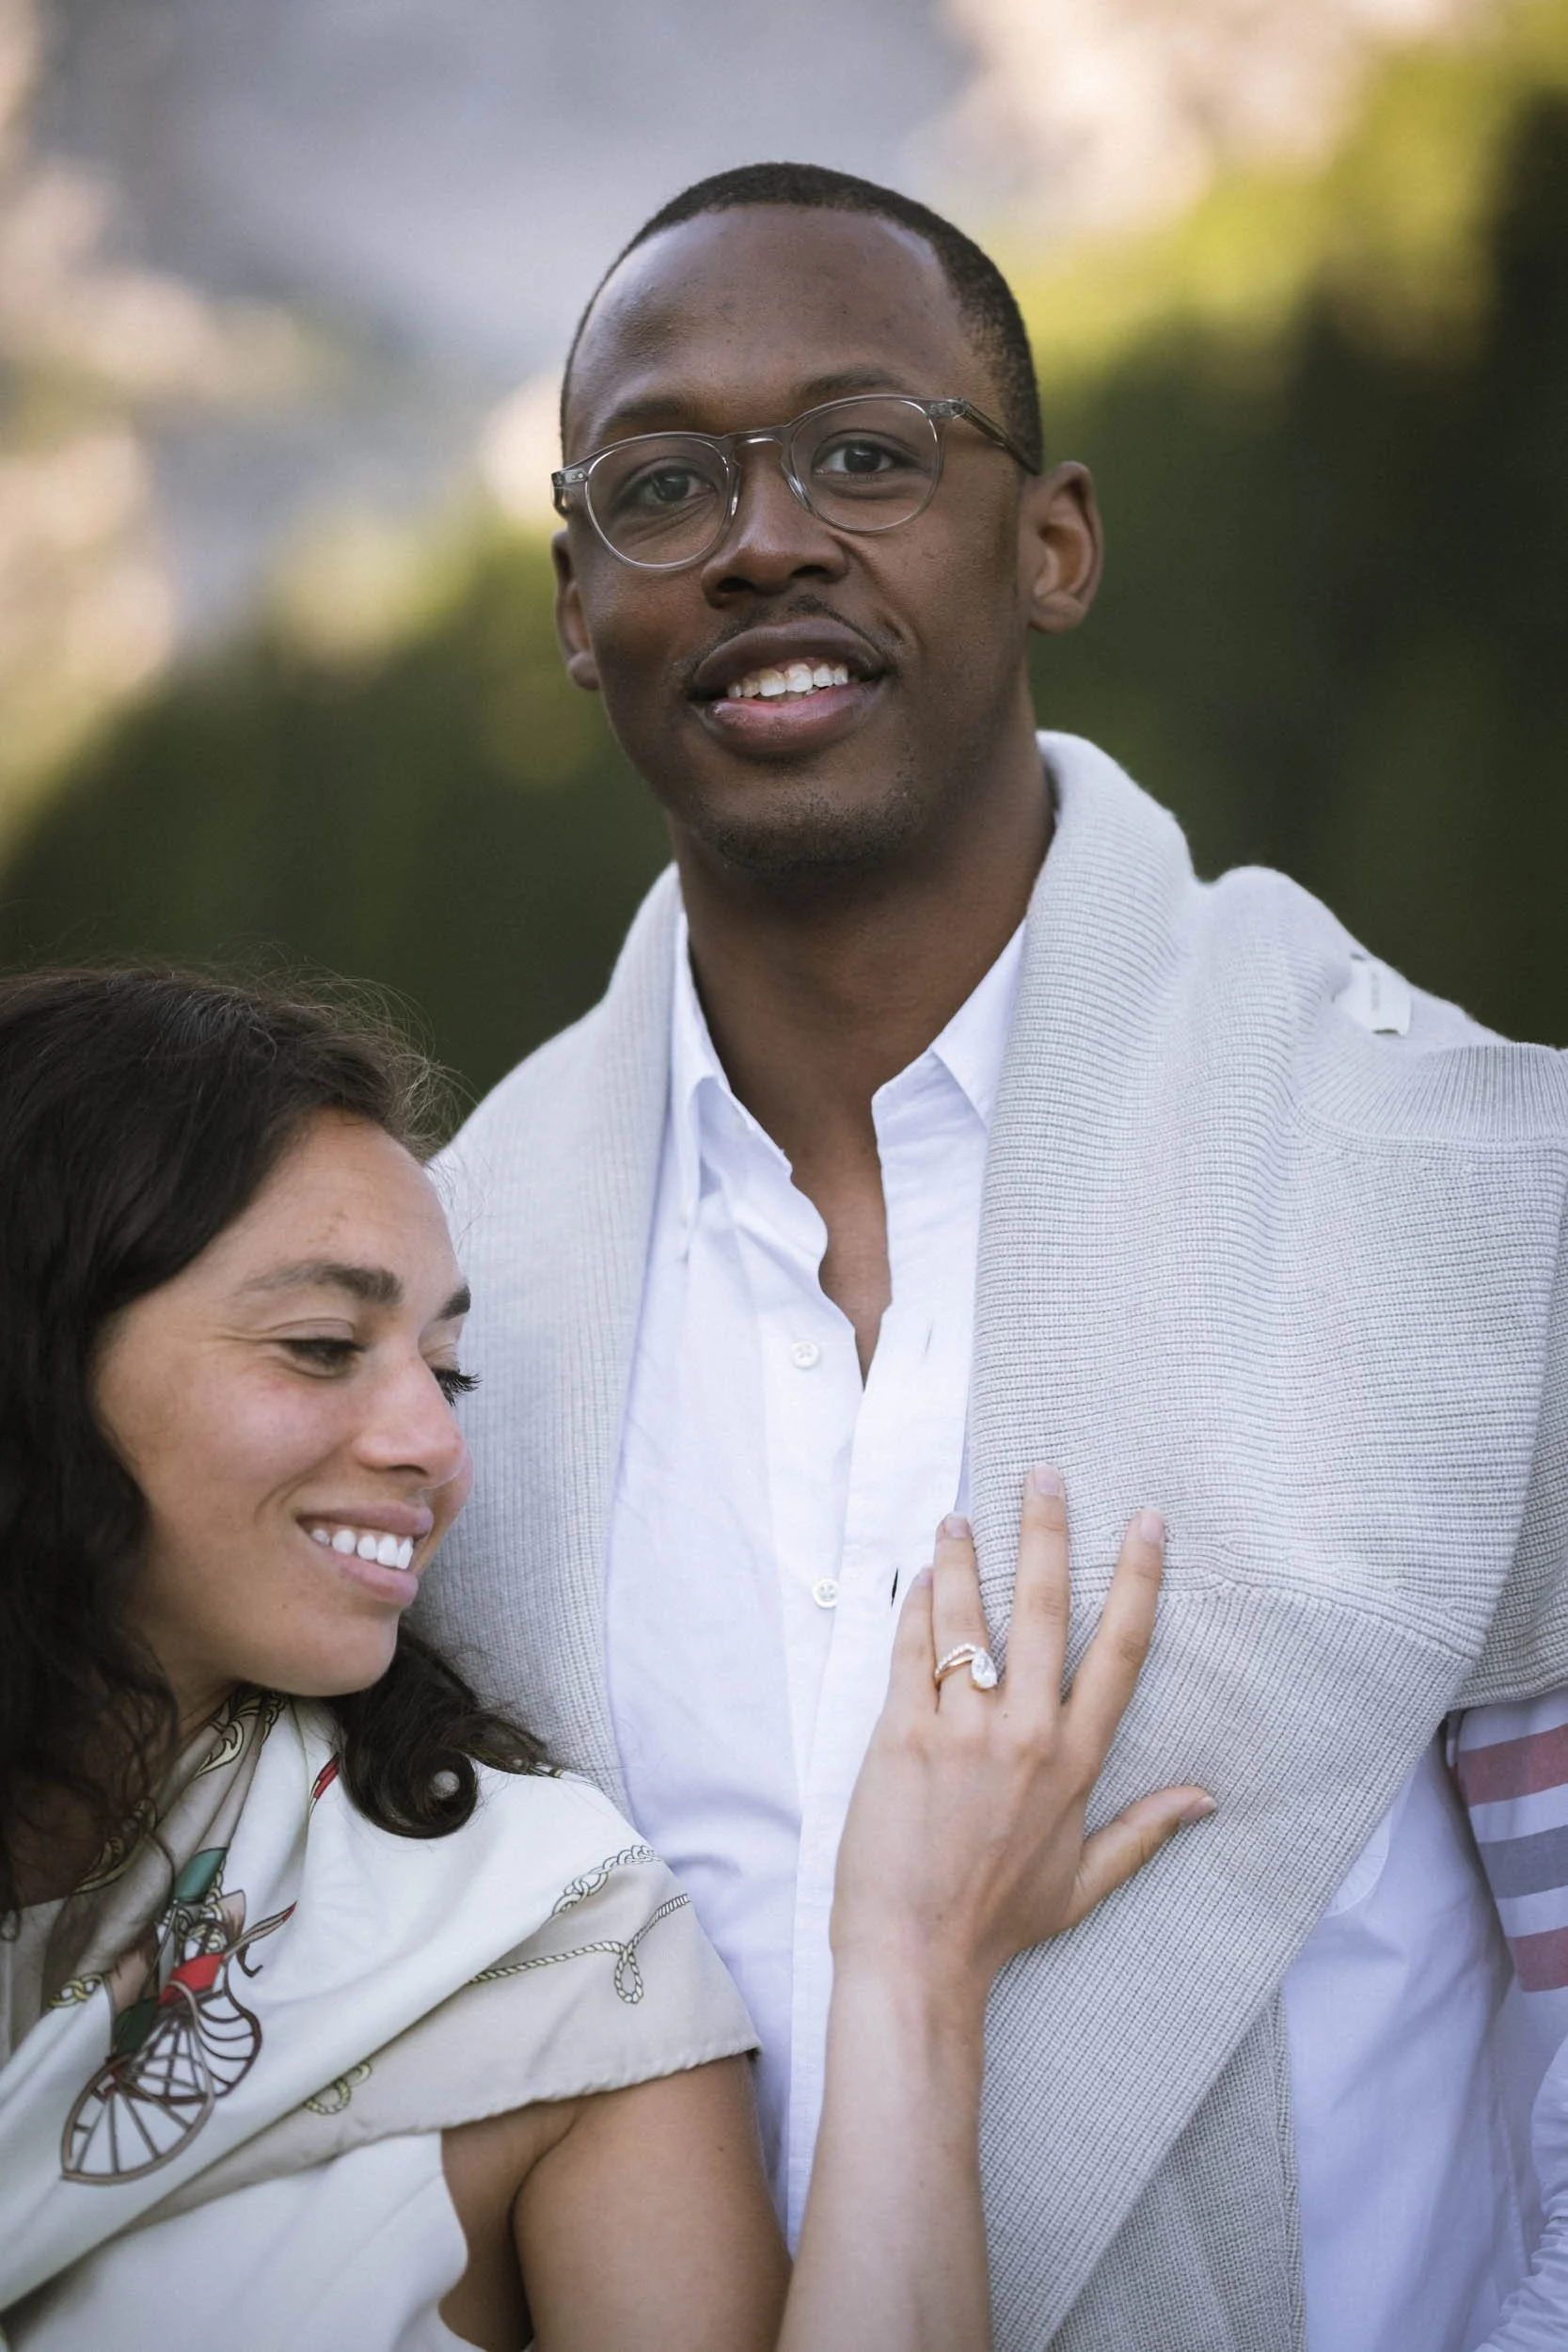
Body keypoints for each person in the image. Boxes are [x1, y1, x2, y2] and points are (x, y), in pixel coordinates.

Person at [420, 162, 1568, 2351]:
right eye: (663, 485)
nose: (764, 536)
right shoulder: (442, 1306)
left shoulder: (1462, 1195)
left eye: (864, 452)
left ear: (1049, 540)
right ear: (577, 605)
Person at [0, 965, 1209, 2352]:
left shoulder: (544, 1950)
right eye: (322, 1347)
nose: (436, 1447)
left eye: (444, 1372)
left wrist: (911, 1967)